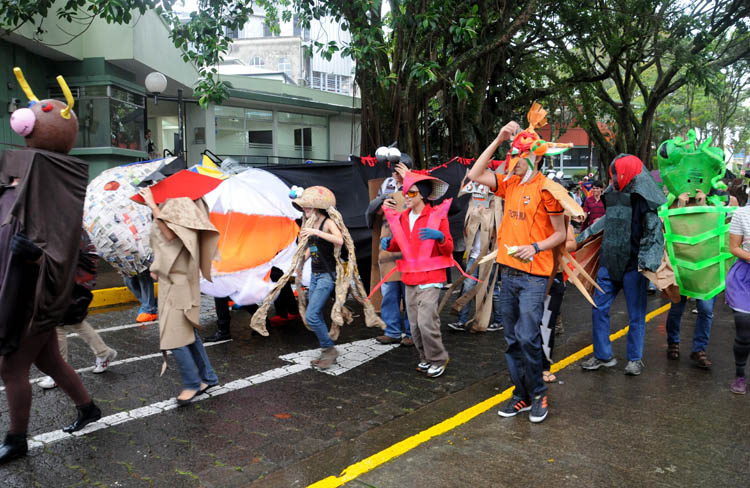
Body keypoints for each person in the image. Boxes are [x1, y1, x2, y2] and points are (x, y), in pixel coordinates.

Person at [0, 158, 101, 464]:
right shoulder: (6, 196)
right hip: (16, 297)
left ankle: (16, 440)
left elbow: (69, 253)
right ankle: (87, 408)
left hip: (35, 302)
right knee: (51, 362)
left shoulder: (45, 200)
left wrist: (37, 256)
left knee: (10, 368)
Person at [468, 117, 568, 423]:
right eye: (511, 156)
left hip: (535, 276)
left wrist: (536, 247)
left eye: (518, 157)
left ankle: (538, 393)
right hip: (507, 273)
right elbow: (475, 173)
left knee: (527, 337)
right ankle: (521, 395)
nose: (513, 162)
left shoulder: (548, 190)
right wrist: (498, 138)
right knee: (511, 339)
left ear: (533, 157)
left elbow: (561, 234)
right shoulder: (508, 183)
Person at [579, 154, 666, 376]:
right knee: (599, 309)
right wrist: (581, 238)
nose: (613, 178)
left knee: (636, 314)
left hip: (632, 266)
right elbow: (606, 220)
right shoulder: (612, 194)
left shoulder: (644, 200)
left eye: (616, 174)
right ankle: (603, 355)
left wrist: (647, 264)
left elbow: (653, 233)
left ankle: (635, 359)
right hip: (609, 262)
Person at [138, 186, 220, 405]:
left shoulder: (182, 201)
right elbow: (168, 243)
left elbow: (171, 234)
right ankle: (208, 377)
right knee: (186, 333)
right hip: (172, 280)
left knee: (174, 336)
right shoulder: (178, 201)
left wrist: (153, 206)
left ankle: (193, 384)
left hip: (180, 281)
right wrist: (157, 266)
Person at [381, 170, 454, 378]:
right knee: (413, 325)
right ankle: (425, 358)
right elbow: (400, 243)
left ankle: (438, 359)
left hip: (432, 277)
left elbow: (448, 248)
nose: (406, 196)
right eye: (405, 193)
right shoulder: (403, 218)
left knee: (426, 321)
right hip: (410, 277)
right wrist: (389, 244)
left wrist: (439, 237)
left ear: (422, 194)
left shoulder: (436, 216)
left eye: (411, 193)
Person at [39, 231, 118, 389]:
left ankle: (58, 372)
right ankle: (103, 352)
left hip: (69, 279)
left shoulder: (61, 222)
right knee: (74, 320)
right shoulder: (65, 218)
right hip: (73, 278)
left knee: (58, 323)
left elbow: (59, 253)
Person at [366, 157, 413, 346]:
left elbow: (422, 208)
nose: (395, 174)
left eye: (399, 169)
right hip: (388, 244)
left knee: (409, 294)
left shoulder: (416, 183)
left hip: (409, 248)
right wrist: (382, 204)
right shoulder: (387, 184)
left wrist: (407, 181)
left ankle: (411, 333)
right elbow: (374, 210)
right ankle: (392, 331)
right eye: (393, 170)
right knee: (389, 292)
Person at [447, 175, 502, 332]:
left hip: (490, 257)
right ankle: (462, 320)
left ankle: (498, 320)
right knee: (468, 286)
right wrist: (474, 216)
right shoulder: (472, 206)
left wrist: (486, 217)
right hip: (473, 255)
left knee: (491, 289)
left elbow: (495, 234)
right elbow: (467, 231)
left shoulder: (497, 208)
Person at [726, 199, 750, 394]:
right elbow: (734, 247)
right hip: (744, 277)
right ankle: (740, 375)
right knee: (743, 329)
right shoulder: (742, 213)